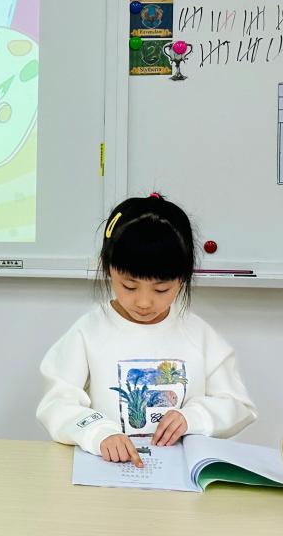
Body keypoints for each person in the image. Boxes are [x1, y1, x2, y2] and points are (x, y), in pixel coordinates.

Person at [36, 195, 257, 467]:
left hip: (181, 478)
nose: (143, 302)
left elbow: (238, 406)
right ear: (108, 267)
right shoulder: (88, 332)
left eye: (161, 289)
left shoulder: (199, 335)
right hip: (108, 474)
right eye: (129, 286)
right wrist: (99, 433)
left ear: (183, 277)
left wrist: (193, 417)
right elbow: (57, 403)